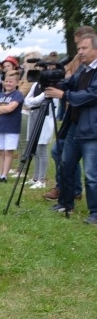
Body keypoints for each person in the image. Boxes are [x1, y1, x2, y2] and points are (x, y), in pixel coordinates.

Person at [46, 33, 97, 223]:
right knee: (66, 164)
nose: (80, 52)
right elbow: (69, 84)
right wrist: (54, 80)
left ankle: (95, 212)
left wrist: (64, 95)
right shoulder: (83, 70)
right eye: (79, 49)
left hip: (92, 129)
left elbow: (91, 95)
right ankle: (65, 203)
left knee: (92, 173)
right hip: (75, 126)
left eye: (84, 48)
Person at [0, 71, 24, 182]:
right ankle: (0, 173)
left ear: (17, 83)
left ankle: (5, 175)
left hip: (12, 128)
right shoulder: (0, 95)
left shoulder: (17, 95)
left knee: (8, 151)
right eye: (6, 81)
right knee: (1, 151)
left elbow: (10, 109)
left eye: (11, 82)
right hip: (1, 127)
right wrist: (2, 109)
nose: (8, 83)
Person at [23, 80, 58, 189]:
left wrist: (35, 100)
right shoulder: (36, 84)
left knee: (41, 148)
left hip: (46, 117)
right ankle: (35, 177)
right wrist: (34, 101)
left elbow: (38, 99)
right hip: (34, 115)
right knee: (35, 148)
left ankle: (41, 179)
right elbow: (27, 101)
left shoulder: (53, 86)